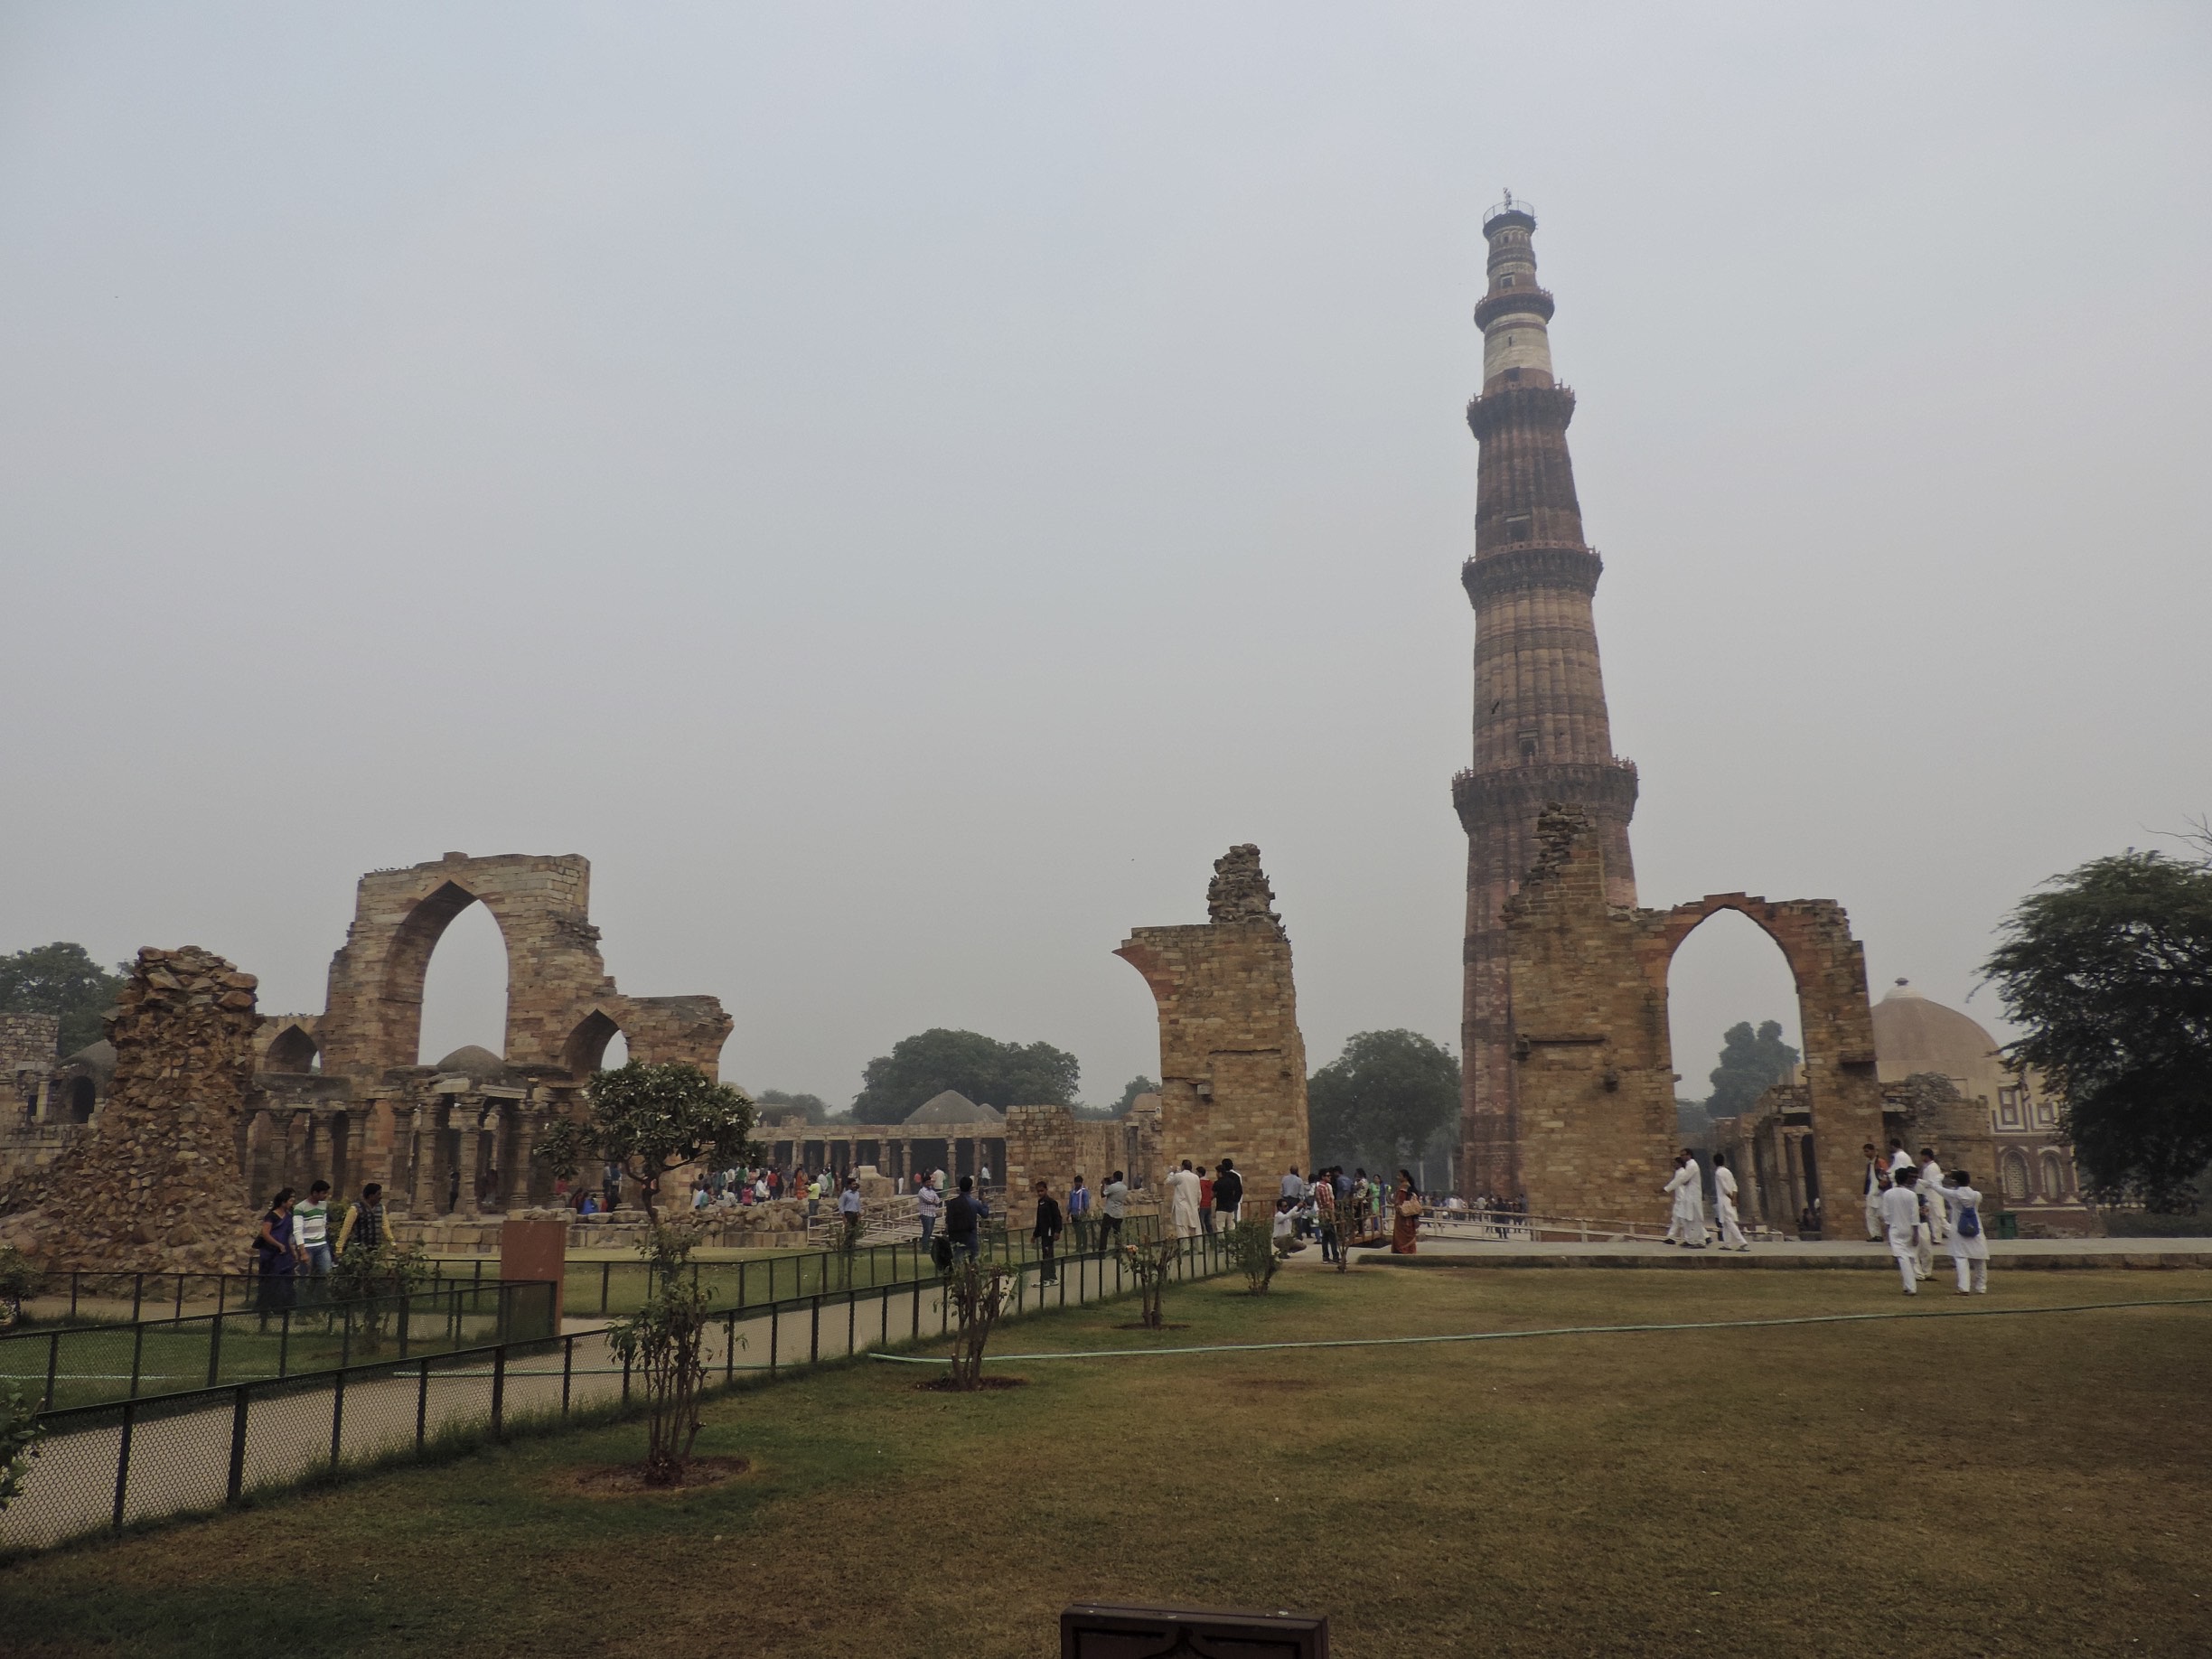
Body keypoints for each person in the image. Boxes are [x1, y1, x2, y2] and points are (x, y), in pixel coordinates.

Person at [1940, 1169, 1990, 1296]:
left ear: (1956, 1182)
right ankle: (1981, 1287)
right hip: (1975, 1227)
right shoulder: (1977, 1195)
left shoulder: (1954, 1195)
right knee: (1980, 1259)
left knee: (1961, 1258)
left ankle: (1964, 1287)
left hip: (1959, 1228)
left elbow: (1935, 1187)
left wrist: (1941, 1176)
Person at [1879, 1165, 1925, 1295]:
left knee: (1903, 1258)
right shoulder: (1911, 1195)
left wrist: (1887, 1232)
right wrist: (1916, 1232)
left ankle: (1911, 1287)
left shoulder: (1888, 1194)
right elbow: (1914, 1216)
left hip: (1895, 1228)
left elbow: (1886, 1215)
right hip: (1909, 1228)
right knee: (1910, 1257)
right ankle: (1907, 1285)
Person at [253, 1188, 297, 1316]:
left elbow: (288, 1235)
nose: (291, 1203)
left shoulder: (289, 1216)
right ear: (283, 1202)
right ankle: (265, 1308)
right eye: (290, 1201)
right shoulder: (272, 1216)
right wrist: (278, 1244)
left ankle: (282, 1307)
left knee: (286, 1279)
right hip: (271, 1252)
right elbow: (265, 1233)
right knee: (270, 1280)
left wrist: (292, 1250)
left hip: (284, 1253)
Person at [294, 1180, 336, 1288]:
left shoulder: (323, 1205)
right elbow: (298, 1230)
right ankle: (301, 1298)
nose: (326, 1196)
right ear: (314, 1193)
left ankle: (322, 1297)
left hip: (322, 1245)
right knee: (305, 1276)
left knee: (327, 1273)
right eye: (323, 1193)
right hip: (307, 1246)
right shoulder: (300, 1207)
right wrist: (302, 1251)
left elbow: (324, 1222)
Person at [1662, 1153, 1706, 1249]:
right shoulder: (1685, 1169)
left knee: (1694, 1219)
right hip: (1686, 1198)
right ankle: (1688, 1240)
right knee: (1685, 1220)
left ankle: (1702, 1240)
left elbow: (1681, 1181)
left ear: (1689, 1155)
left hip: (1688, 1198)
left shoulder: (1690, 1166)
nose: (1673, 1165)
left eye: (1683, 1155)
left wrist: (1665, 1189)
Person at [336, 1182, 388, 1257]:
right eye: (378, 1194)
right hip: (359, 1249)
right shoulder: (355, 1209)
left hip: (375, 1249)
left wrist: (392, 1242)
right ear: (371, 1196)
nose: (380, 1197)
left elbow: (385, 1226)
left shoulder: (381, 1208)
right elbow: (346, 1229)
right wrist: (339, 1248)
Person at [944, 1175, 988, 1261]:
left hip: (956, 1236)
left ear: (959, 1188)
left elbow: (948, 1220)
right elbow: (985, 1214)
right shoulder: (974, 1203)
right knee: (973, 1261)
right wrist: (984, 1201)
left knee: (958, 1261)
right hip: (970, 1235)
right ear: (971, 1189)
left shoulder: (952, 1203)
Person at [1711, 1153, 1748, 1251]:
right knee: (1725, 1223)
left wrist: (1732, 1198)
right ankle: (1727, 1244)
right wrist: (1734, 1198)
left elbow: (1725, 1188)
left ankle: (1742, 1242)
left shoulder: (1718, 1173)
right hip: (1730, 1199)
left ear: (1714, 1162)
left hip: (1725, 1200)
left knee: (1729, 1222)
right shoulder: (1728, 1172)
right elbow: (1734, 1186)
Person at [1032, 1180, 1064, 1284]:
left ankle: (1045, 1279)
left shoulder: (1051, 1203)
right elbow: (1039, 1222)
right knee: (1047, 1255)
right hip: (1044, 1233)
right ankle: (1052, 1277)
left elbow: (1057, 1218)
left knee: (1047, 1255)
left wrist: (1057, 1231)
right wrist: (1035, 1235)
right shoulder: (1040, 1203)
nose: (1040, 1193)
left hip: (1050, 1233)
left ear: (1046, 1190)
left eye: (1041, 1191)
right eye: (1038, 1191)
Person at [1168, 1159, 1202, 1241]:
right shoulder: (1196, 1177)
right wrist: (1198, 1204)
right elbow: (1199, 1193)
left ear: (1183, 1166)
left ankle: (1185, 1248)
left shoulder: (1179, 1176)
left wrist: (1172, 1172)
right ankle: (1198, 1247)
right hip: (1193, 1205)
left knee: (1182, 1228)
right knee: (1195, 1228)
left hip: (1182, 1206)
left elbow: (1169, 1181)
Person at [1390, 1170, 1421, 1254]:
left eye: (1400, 1175)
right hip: (1402, 1215)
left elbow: (1404, 1202)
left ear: (1405, 1177)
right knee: (1402, 1232)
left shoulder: (1405, 1188)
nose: (1398, 1177)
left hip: (1405, 1215)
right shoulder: (1403, 1187)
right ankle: (1403, 1249)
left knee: (1405, 1232)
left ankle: (1404, 1249)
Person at [1861, 1143, 1886, 1242]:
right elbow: (1868, 1179)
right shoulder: (1870, 1164)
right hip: (1871, 1192)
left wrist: (1881, 1186)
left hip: (1879, 1191)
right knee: (1870, 1214)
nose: (1865, 1153)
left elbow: (1885, 1174)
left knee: (1883, 1214)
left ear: (1872, 1151)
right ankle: (1876, 1235)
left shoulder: (1880, 1162)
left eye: (1867, 1151)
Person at [1213, 1158, 1244, 1232]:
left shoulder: (1222, 1178)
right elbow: (1239, 1190)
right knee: (1232, 1224)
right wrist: (1236, 1200)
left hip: (1222, 1204)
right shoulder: (1236, 1176)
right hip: (1232, 1202)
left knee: (1221, 1226)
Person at [1100, 1170, 1128, 1250]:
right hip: (1119, 1213)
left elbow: (1102, 1195)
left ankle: (1102, 1251)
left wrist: (1102, 1185)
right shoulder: (1125, 1188)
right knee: (1117, 1233)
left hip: (1110, 1212)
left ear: (1115, 1178)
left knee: (1104, 1232)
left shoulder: (1112, 1187)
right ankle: (1117, 1250)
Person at [1315, 1171, 1339, 1262]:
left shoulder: (1318, 1187)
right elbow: (1327, 1203)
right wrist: (1332, 1215)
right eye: (1328, 1176)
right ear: (1323, 1176)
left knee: (1325, 1236)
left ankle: (1325, 1256)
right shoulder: (1324, 1187)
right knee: (1332, 1236)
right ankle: (1335, 1256)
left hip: (1322, 1214)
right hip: (1327, 1214)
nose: (1330, 1177)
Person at [916, 1172, 942, 1251]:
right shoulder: (922, 1191)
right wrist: (934, 1201)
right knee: (927, 1231)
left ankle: (926, 1246)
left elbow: (938, 1200)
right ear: (924, 1183)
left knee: (930, 1231)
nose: (929, 1183)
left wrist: (934, 1201)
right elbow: (928, 1200)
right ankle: (925, 1248)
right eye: (928, 1182)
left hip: (932, 1214)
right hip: (925, 1214)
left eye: (930, 1182)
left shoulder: (932, 1191)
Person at [1066, 1174, 1092, 1251]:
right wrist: (1068, 1214)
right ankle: (1078, 1247)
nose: (1077, 1184)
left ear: (1081, 1183)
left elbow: (1086, 1204)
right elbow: (1070, 1203)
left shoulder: (1084, 1192)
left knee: (1083, 1231)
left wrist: (1085, 1213)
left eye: (1078, 1182)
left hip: (1081, 1214)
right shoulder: (1072, 1192)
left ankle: (1084, 1247)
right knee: (1077, 1231)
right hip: (1074, 1214)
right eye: (1076, 1182)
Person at [839, 1176, 865, 1251]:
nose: (855, 1185)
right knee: (848, 1231)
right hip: (848, 1213)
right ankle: (846, 1246)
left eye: (855, 1184)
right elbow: (841, 1205)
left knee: (854, 1230)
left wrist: (859, 1213)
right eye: (853, 1184)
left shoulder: (857, 1193)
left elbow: (858, 1204)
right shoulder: (845, 1194)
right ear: (849, 1185)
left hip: (855, 1213)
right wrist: (843, 1216)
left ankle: (852, 1246)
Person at [1197, 1167, 1216, 1235]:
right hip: (1208, 1204)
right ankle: (1212, 1242)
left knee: (1200, 1224)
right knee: (1209, 1224)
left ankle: (1201, 1241)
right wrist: (1209, 1199)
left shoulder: (1199, 1182)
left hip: (1201, 1205)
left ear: (1199, 1173)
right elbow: (1214, 1193)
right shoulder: (1210, 1183)